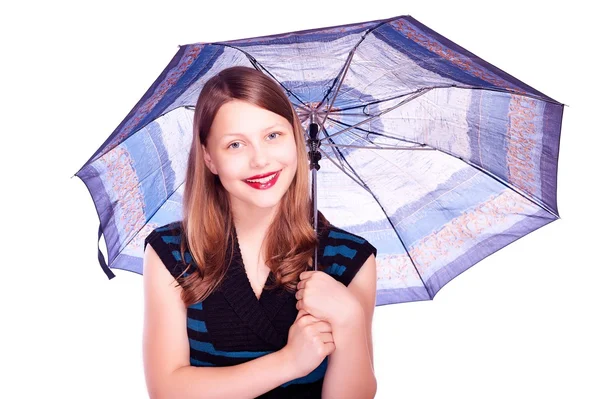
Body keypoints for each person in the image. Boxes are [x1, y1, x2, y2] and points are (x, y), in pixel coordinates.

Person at [142, 66, 378, 398]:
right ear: (210, 159)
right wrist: (289, 362)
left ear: (296, 139)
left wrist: (350, 321)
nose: (260, 160)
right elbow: (167, 391)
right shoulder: (173, 252)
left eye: (272, 136)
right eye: (235, 144)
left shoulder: (349, 258)